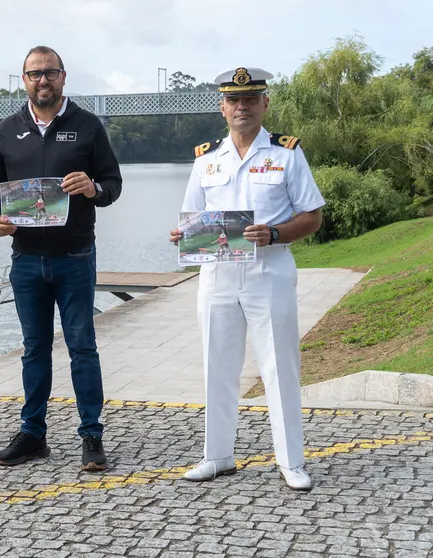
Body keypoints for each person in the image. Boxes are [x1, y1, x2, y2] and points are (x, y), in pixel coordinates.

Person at [168, 67, 325, 491]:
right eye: (234, 101)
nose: (243, 107)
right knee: (216, 367)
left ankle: (291, 461)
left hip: (268, 270)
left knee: (279, 366)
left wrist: (274, 233)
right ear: (222, 107)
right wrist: (182, 235)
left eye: (251, 99)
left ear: (265, 104)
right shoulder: (206, 159)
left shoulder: (286, 153)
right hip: (217, 274)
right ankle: (217, 456)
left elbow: (312, 217)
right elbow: (192, 219)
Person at [0, 46, 123, 471]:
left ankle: (92, 436)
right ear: (23, 80)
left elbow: (113, 184)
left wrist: (92, 188)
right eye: (33, 74)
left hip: (74, 256)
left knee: (82, 347)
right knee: (34, 350)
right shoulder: (8, 129)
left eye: (49, 73)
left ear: (63, 77)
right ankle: (33, 435)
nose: (42, 80)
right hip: (26, 259)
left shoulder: (87, 126)